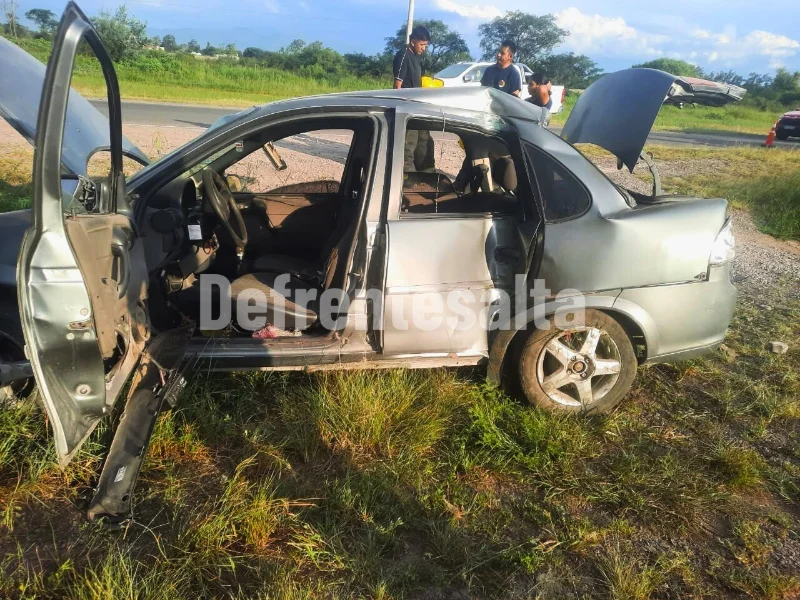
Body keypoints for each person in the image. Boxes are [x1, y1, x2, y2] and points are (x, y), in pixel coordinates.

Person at [393, 25, 435, 175]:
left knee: (425, 139)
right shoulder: (403, 56)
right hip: (406, 107)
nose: (423, 48)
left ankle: (427, 171)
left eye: (425, 45)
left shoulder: (416, 57)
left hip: (417, 106)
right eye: (422, 44)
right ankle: (406, 174)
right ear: (412, 41)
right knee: (409, 142)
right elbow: (397, 86)